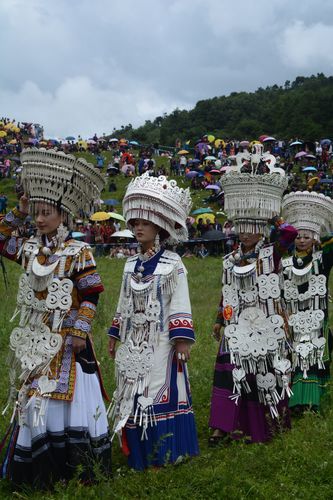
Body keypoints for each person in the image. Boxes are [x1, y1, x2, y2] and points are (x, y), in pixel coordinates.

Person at [0, 148, 111, 487]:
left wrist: (80, 330)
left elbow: (91, 292)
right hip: (36, 339)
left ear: (62, 215)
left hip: (69, 342)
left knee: (67, 401)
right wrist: (18, 210)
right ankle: (39, 470)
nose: (39, 219)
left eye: (45, 213)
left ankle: (70, 470)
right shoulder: (31, 249)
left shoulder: (79, 252)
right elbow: (2, 240)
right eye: (36, 213)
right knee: (34, 397)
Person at [107, 172, 199, 470]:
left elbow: (179, 301)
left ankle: (164, 453)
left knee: (157, 390)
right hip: (134, 342)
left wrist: (182, 337)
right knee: (131, 390)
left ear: (158, 226)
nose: (137, 229)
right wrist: (114, 333)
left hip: (160, 341)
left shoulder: (173, 264)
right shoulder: (129, 265)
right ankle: (138, 454)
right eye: (134, 224)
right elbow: (123, 301)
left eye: (143, 223)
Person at [209, 145, 297, 445]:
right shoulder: (230, 258)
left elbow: (289, 233)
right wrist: (220, 319)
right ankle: (224, 425)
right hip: (236, 325)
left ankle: (264, 426)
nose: (244, 233)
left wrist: (272, 217)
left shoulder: (272, 252)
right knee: (229, 373)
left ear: (259, 228)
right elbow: (226, 291)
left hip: (264, 323)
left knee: (262, 372)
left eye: (250, 226)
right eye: (240, 227)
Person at [282, 191, 333, 412]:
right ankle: (295, 399)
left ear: (314, 238)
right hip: (293, 316)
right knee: (294, 353)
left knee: (313, 351)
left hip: (315, 315)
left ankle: (313, 399)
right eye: (298, 236)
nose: (302, 240)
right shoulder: (285, 262)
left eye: (307, 236)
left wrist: (323, 227)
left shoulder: (323, 259)